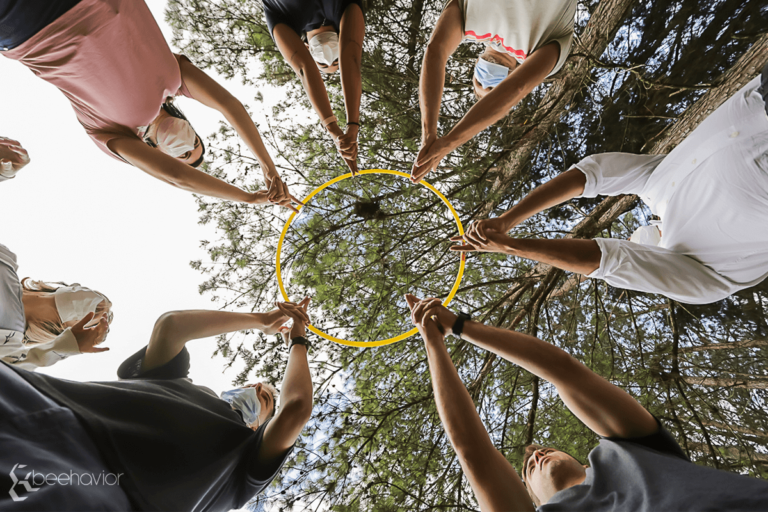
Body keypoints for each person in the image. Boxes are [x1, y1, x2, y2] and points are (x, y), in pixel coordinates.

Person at [404, 294, 768, 511]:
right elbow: (472, 451)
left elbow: (563, 370)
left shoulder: (633, 450)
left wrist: (461, 327)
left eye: (541, 452)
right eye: (529, 468)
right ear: (531, 498)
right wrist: (432, 344)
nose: (536, 456)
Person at [451, 73, 768, 304]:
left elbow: (591, 175)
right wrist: (513, 247)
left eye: (630, 237)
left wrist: (509, 220)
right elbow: (610, 260)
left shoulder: (654, 185)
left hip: (759, 97)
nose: (632, 238)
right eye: (632, 241)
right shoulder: (707, 282)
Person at [0, 297, 314, 511]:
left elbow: (297, 406)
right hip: (37, 403)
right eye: (250, 384)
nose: (256, 386)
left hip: (100, 492)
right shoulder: (173, 384)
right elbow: (172, 326)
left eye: (265, 397)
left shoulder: (243, 470)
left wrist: (298, 341)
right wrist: (260, 321)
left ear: (260, 425)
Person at [0, 0, 301, 210]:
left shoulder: (116, 135)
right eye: (194, 141)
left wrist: (247, 198)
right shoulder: (176, 80)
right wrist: (269, 169)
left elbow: (178, 176)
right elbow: (230, 105)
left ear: (162, 155)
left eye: (183, 154)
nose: (185, 143)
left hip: (30, 28)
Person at [411, 0, 577, 184]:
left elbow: (436, 51)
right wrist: (450, 141)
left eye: (478, 83)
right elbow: (517, 87)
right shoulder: (547, 49)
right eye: (492, 90)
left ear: (475, 66)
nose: (486, 83)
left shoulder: (466, 19)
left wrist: (429, 133)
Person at [263, 0, 364, 175]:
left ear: (307, 49)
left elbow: (304, 69)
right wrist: (352, 125)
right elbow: (351, 56)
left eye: (322, 64)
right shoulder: (347, 7)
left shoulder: (281, 18)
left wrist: (333, 129)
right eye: (336, 60)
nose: (328, 58)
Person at [0, 243, 113, 369]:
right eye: (98, 301)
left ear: (66, 331)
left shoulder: (9, 342)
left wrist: (66, 345)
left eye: (93, 315)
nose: (96, 305)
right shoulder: (7, 259)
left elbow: (9, 375)